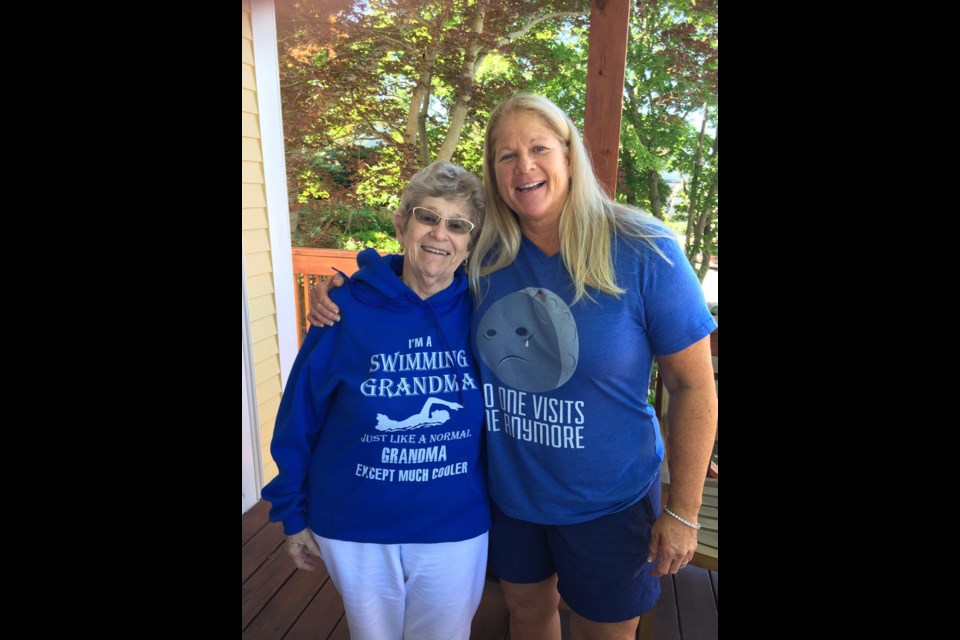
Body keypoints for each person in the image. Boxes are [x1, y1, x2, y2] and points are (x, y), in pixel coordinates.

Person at [309, 95, 717, 640]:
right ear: (494, 173)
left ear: (569, 156)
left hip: (609, 501)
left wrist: (683, 510)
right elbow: (423, 261)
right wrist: (350, 287)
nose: (524, 166)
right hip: (512, 497)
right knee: (527, 617)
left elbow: (692, 385)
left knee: (605, 632)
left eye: (538, 148)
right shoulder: (486, 254)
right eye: (506, 155)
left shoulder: (645, 249)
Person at [263, 161, 489, 640]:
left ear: (471, 242)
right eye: (427, 217)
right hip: (354, 523)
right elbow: (299, 415)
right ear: (401, 222)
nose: (439, 234)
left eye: (457, 225)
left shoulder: (486, 311)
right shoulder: (344, 309)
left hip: (453, 522)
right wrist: (290, 512)